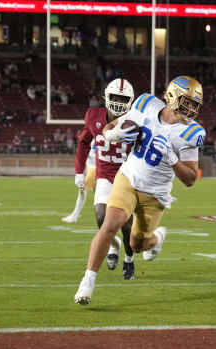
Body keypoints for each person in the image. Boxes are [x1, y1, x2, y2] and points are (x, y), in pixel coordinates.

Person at [74, 76, 205, 305]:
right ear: (172, 95)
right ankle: (87, 282)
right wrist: (113, 134)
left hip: (155, 193)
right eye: (188, 101)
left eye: (194, 104)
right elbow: (109, 127)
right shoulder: (145, 104)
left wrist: (172, 158)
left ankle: (156, 239)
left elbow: (191, 179)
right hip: (128, 178)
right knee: (110, 224)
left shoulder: (190, 132)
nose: (191, 108)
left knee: (137, 245)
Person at [73, 78, 137, 280]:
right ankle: (112, 246)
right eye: (115, 97)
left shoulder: (135, 121)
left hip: (127, 177)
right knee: (101, 216)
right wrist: (79, 171)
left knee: (127, 226)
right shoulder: (94, 116)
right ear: (106, 98)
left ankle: (129, 259)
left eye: (122, 98)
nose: (118, 101)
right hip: (104, 174)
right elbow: (84, 143)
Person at [62, 140, 96, 223]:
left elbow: (94, 152)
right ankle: (75, 215)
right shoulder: (92, 136)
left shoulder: (96, 136)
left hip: (95, 169)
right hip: (92, 169)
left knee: (83, 189)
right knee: (86, 191)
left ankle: (75, 215)